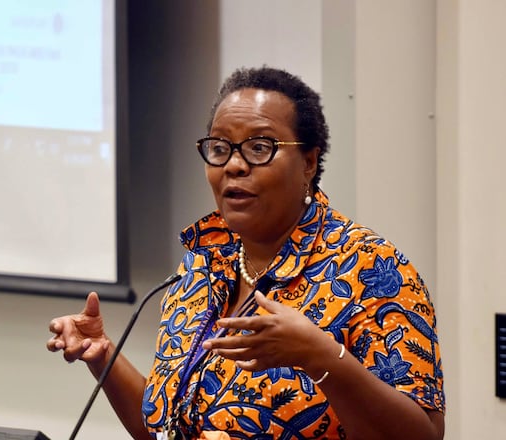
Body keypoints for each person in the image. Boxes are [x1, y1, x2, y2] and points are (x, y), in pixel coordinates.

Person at [47, 66, 445, 439]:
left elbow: (423, 434)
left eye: (259, 147)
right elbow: (167, 430)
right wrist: (103, 357)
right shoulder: (202, 266)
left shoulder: (370, 268)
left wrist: (322, 357)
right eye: (220, 148)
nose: (234, 166)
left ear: (309, 161)